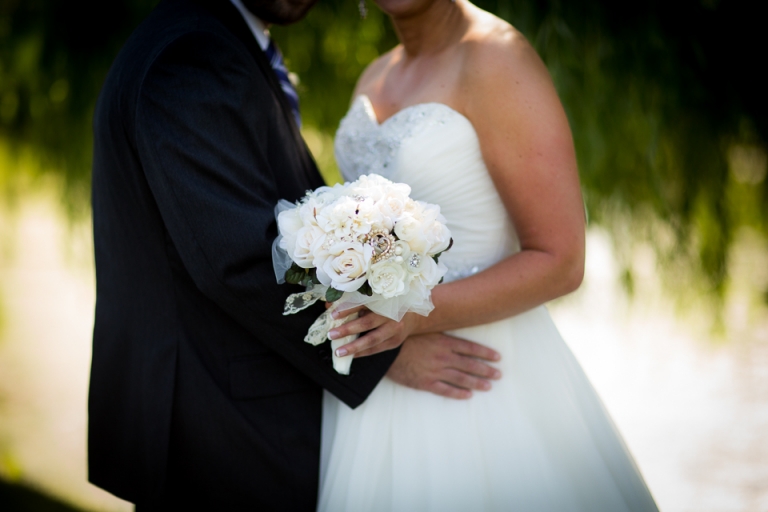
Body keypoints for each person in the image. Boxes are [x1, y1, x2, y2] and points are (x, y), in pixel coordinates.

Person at [88, 0, 502, 509]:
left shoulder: (216, 39)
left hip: (218, 416)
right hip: (224, 425)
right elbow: (236, 260)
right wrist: (380, 350)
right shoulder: (192, 53)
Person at [318, 0, 660, 510]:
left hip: (477, 371)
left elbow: (561, 260)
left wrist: (414, 315)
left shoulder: (499, 60)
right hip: (382, 365)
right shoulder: (374, 74)